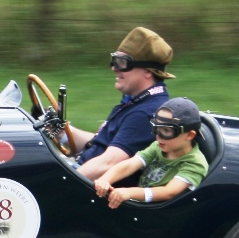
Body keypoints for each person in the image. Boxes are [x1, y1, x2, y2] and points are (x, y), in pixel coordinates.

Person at [68, 27, 174, 181]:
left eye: (122, 63)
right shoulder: (137, 101)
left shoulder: (146, 113)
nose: (114, 68)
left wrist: (63, 181)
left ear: (148, 71)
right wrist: (63, 132)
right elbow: (101, 144)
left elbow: (108, 163)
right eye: (115, 61)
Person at [93, 97, 208, 209]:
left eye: (167, 131)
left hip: (158, 213)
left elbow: (169, 192)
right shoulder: (159, 146)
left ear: (189, 135)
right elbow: (130, 165)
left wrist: (129, 193)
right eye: (156, 128)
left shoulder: (195, 163)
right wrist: (105, 180)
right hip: (139, 203)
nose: (158, 136)